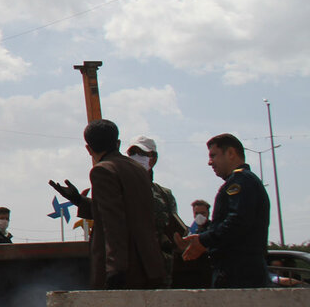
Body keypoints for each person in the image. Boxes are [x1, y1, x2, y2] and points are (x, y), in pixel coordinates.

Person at [51, 119, 163, 290]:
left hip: (125, 269)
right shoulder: (139, 169)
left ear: (88, 149)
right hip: (148, 264)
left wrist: (115, 269)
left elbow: (113, 222)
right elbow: (128, 209)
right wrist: (79, 200)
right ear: (117, 143)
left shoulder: (102, 170)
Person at [179, 133, 270, 288]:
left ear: (231, 153)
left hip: (239, 274)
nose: (210, 162)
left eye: (213, 156)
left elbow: (238, 222)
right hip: (239, 271)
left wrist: (204, 240)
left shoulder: (240, 181)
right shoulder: (243, 180)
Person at [126, 135, 179, 283]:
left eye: (142, 154)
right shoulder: (121, 190)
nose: (137, 157)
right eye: (133, 154)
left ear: (153, 158)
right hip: (130, 267)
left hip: (158, 268)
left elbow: (173, 231)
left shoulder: (164, 194)